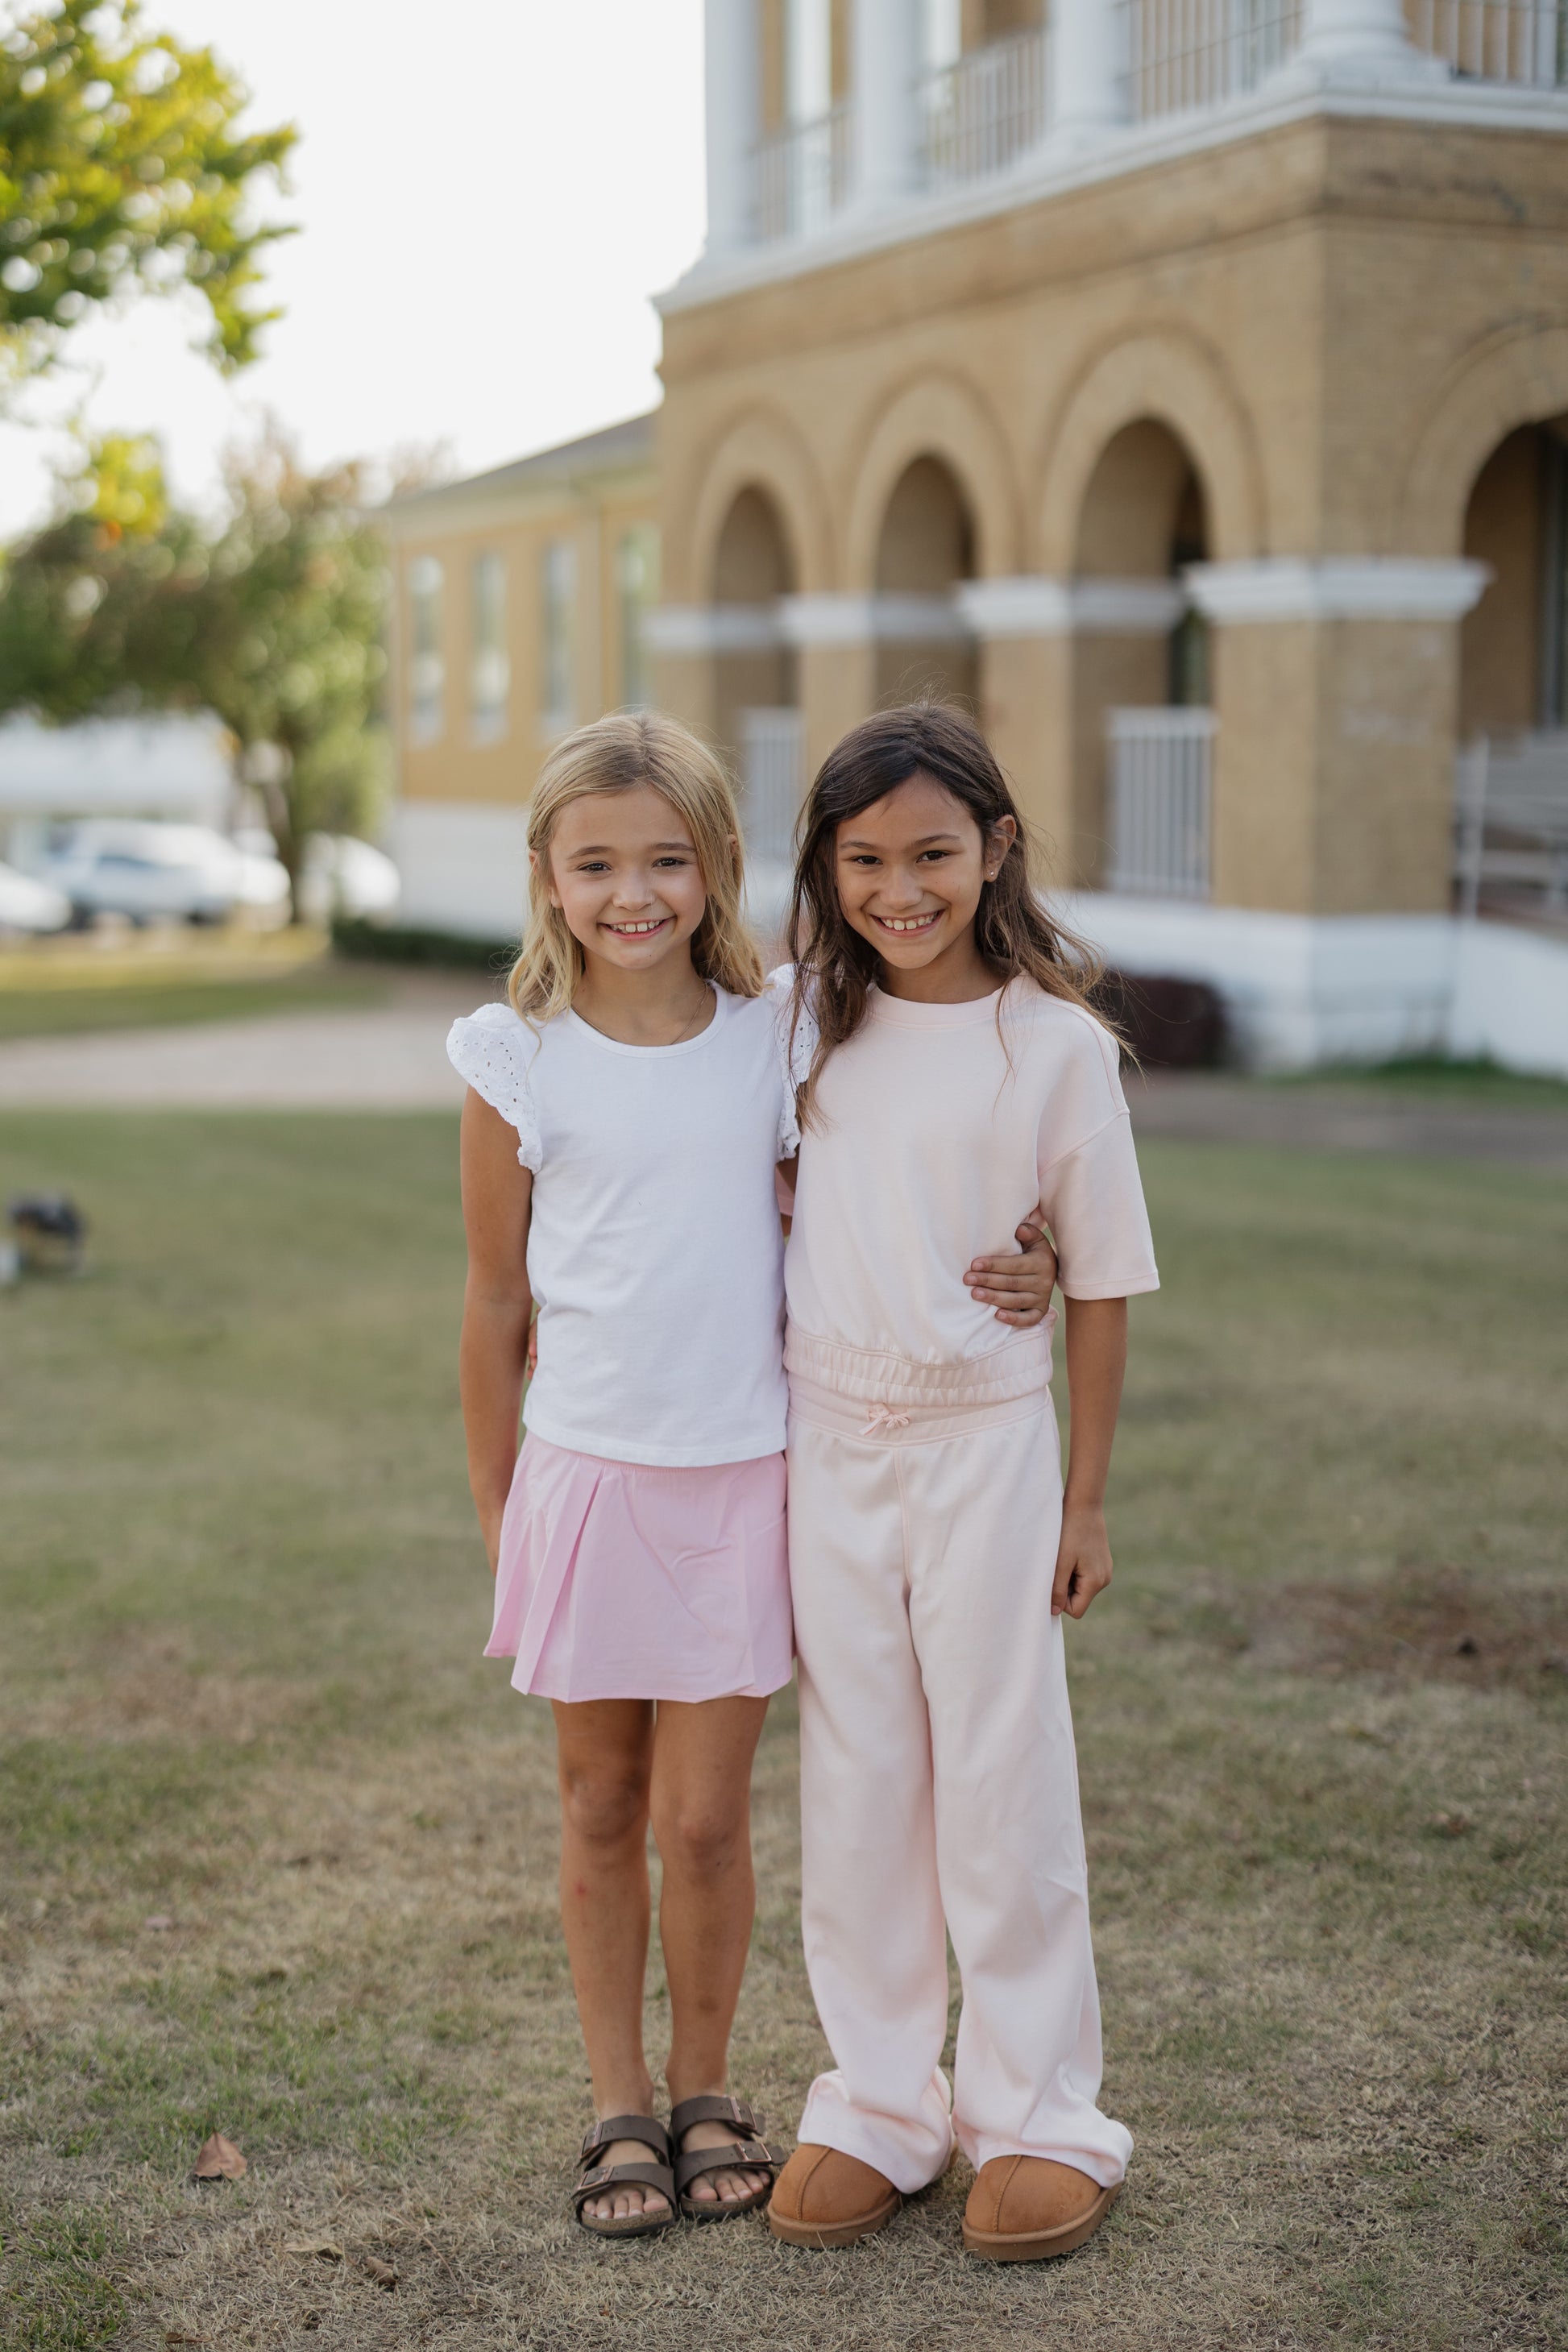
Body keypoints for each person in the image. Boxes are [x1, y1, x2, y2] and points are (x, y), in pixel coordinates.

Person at [446, 711, 1059, 2239]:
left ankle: (708, 2086)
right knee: (599, 1806)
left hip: (744, 1479)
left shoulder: (779, 1032)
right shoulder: (512, 1058)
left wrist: (1037, 1248)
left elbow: (903, 1154)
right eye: (595, 864)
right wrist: (495, 1500)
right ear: (546, 875)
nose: (631, 893)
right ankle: (614, 2107)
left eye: (665, 858)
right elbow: (494, 1303)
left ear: (718, 864)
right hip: (586, 1478)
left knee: (707, 1823)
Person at [765, 703, 1159, 2263]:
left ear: (994, 846)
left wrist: (1087, 1499)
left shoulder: (1055, 1043)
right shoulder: (799, 1018)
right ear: (828, 865)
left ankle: (1037, 2107)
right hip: (825, 1444)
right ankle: (877, 2097)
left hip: (989, 1446)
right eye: (863, 858)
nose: (897, 886)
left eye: (930, 850)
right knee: (857, 1777)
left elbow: (1106, 1275)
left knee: (999, 1774)